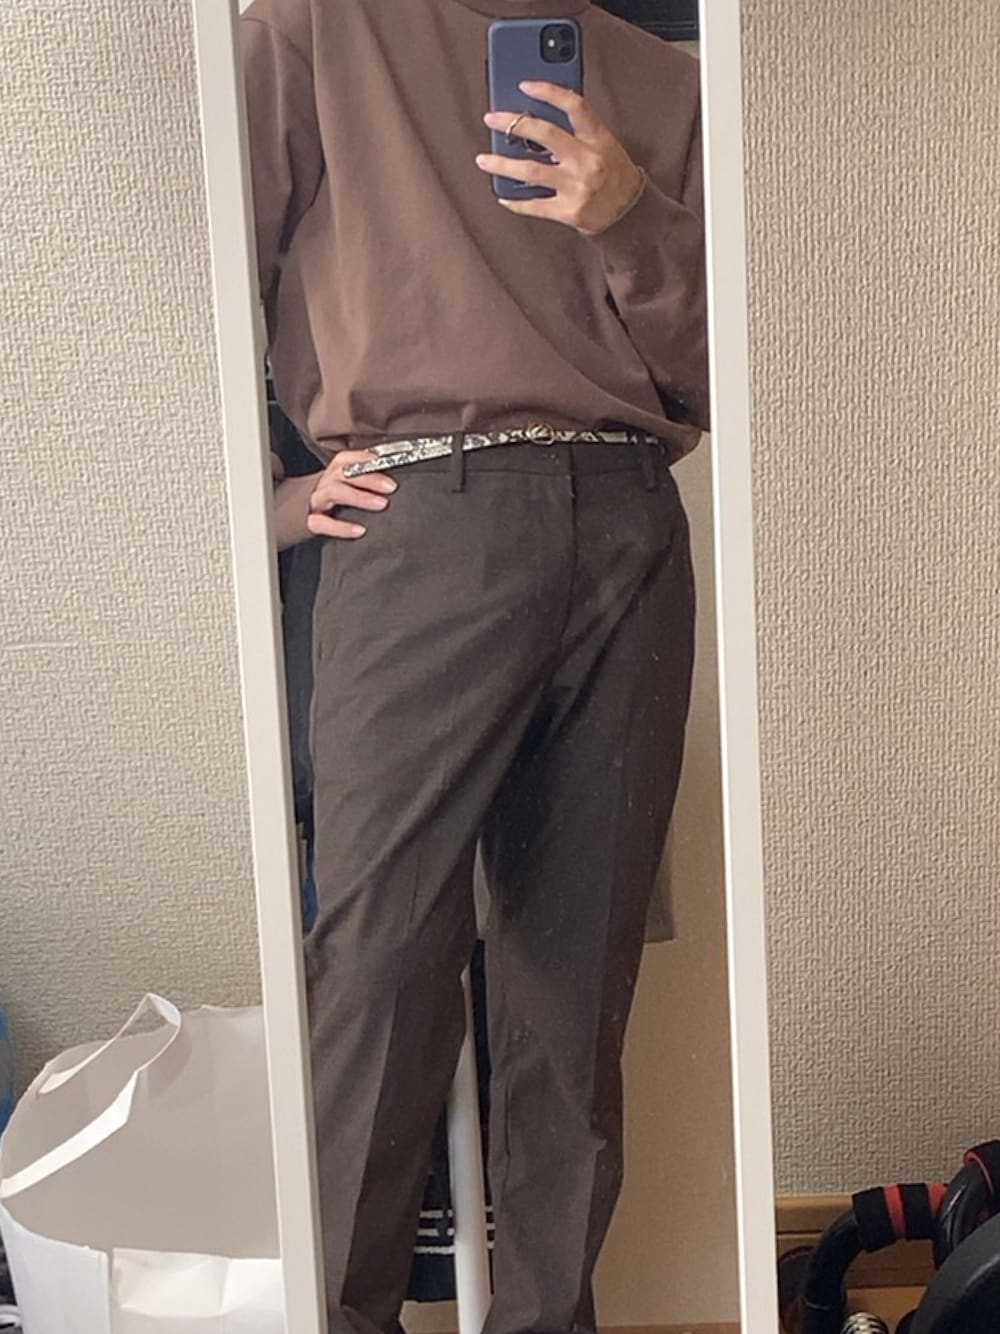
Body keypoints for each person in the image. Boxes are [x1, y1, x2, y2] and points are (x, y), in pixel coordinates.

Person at [241, 2, 708, 1332]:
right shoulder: (313, 25)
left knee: (578, 980)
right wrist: (267, 498)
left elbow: (723, 366)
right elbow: (202, 277)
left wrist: (627, 214)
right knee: (382, 958)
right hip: (421, 514)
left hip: (629, 517)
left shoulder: (659, 76)